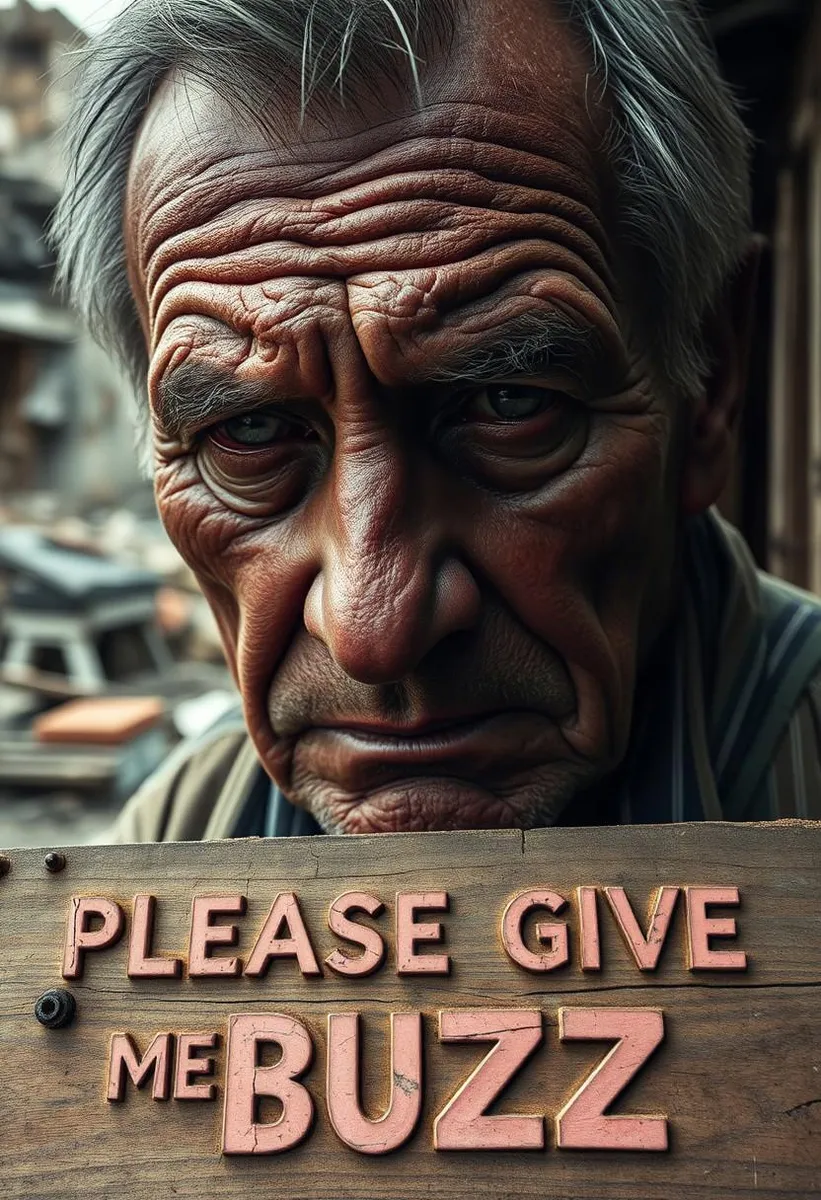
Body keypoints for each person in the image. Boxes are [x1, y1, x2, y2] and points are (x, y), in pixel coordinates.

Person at [53, 0, 821, 842]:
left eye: (507, 405)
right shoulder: (159, 854)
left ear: (708, 383)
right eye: (250, 434)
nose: (371, 631)